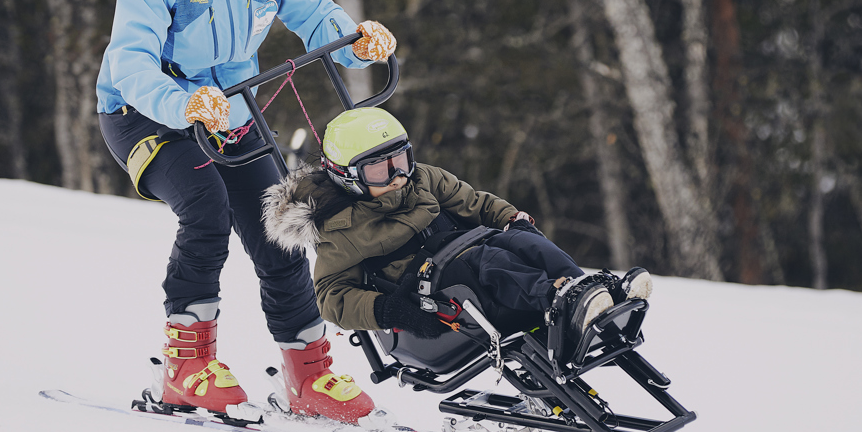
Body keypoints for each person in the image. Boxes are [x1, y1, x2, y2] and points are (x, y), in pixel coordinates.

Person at [97, 0, 394, 425]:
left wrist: (357, 42)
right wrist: (182, 105)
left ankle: (307, 374)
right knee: (205, 211)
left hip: (231, 108)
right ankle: (186, 367)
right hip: (146, 113)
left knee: (280, 226)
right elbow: (130, 58)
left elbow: (313, 14)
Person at [262, 108, 652, 348]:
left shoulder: (424, 178)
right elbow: (332, 297)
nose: (398, 175)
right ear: (347, 177)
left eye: (402, 160)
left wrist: (511, 219)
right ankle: (559, 302)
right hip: (428, 287)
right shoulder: (337, 229)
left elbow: (476, 203)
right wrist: (391, 310)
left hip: (466, 248)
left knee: (523, 242)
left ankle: (588, 294)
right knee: (493, 260)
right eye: (381, 169)